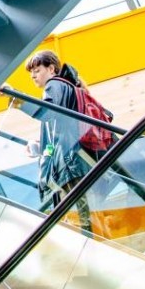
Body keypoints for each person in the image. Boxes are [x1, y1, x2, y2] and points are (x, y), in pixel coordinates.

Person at [21, 50, 96, 217]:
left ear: (51, 69)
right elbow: (61, 130)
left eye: (37, 70)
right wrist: (40, 145)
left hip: (69, 165)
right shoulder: (66, 88)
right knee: (83, 217)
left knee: (79, 219)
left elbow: (47, 113)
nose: (33, 76)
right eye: (31, 72)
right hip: (75, 163)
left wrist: (19, 101)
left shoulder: (54, 85)